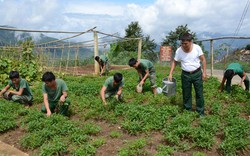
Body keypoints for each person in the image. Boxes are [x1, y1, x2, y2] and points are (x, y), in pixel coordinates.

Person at [168, 32, 207, 116]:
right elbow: (174, 62)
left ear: (190, 41)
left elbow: (203, 60)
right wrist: (170, 73)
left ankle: (200, 112)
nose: (183, 45)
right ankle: (187, 111)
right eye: (182, 43)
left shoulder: (197, 48)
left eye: (185, 43)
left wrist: (204, 73)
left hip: (197, 74)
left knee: (199, 93)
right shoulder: (179, 50)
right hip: (185, 75)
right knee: (186, 93)